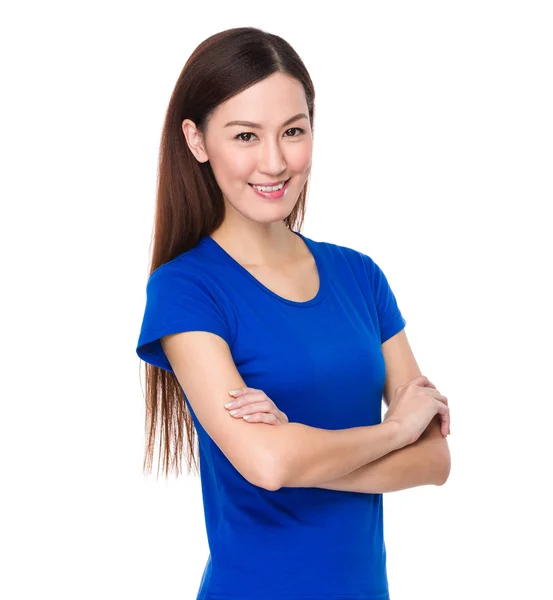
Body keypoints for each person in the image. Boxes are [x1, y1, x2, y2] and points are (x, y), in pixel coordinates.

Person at [136, 26, 451, 600]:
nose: (274, 161)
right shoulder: (186, 291)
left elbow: (434, 460)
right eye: (246, 135)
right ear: (197, 139)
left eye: (292, 131)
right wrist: (395, 429)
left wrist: (299, 449)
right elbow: (269, 463)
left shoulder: (361, 277)